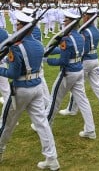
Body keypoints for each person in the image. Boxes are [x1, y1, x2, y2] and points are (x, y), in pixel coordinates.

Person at [0, 11, 59, 169]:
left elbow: (12, 73)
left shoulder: (16, 47)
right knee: (42, 124)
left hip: (21, 90)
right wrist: (7, 58)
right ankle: (52, 158)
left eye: (18, 24)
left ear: (23, 27)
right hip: (37, 86)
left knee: (6, 123)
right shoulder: (38, 44)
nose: (15, 26)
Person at [38, 10, 96, 139]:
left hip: (68, 72)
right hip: (79, 70)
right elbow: (70, 50)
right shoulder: (80, 36)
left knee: (54, 100)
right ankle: (90, 130)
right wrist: (48, 51)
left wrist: (47, 60)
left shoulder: (66, 39)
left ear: (70, 22)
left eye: (65, 21)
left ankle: (45, 126)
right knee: (83, 101)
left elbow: (63, 60)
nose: (63, 23)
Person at [59, 8, 99, 118]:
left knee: (77, 86)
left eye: (84, 16)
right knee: (97, 85)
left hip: (86, 60)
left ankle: (72, 109)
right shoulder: (96, 30)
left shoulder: (85, 32)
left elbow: (82, 50)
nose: (82, 18)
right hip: (94, 59)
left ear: (87, 17)